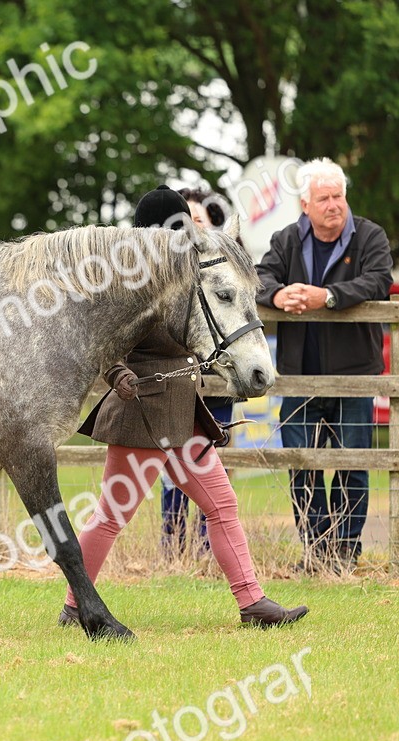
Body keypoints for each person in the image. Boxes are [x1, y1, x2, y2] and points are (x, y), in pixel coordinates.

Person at [59, 185, 308, 630]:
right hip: (143, 416)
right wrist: (117, 374)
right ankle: (75, 605)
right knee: (112, 517)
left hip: (183, 414)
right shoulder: (128, 282)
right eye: (182, 225)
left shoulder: (185, 275)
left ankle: (252, 603)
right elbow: (102, 343)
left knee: (222, 504)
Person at [256, 158, 393, 572]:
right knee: (303, 466)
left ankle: (345, 554)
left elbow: (379, 281)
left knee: (353, 465)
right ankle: (316, 553)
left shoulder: (370, 236)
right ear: (305, 205)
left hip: (354, 374)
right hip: (299, 376)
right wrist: (277, 296)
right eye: (324, 198)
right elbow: (259, 278)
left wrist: (327, 297)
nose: (333, 205)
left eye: (338, 196)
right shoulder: (286, 239)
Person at [158, 187, 240, 558]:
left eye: (198, 220)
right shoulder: (163, 273)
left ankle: (209, 549)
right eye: (184, 222)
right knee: (172, 470)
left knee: (213, 468)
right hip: (174, 388)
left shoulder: (223, 267)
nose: (192, 228)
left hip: (216, 388)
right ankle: (173, 546)